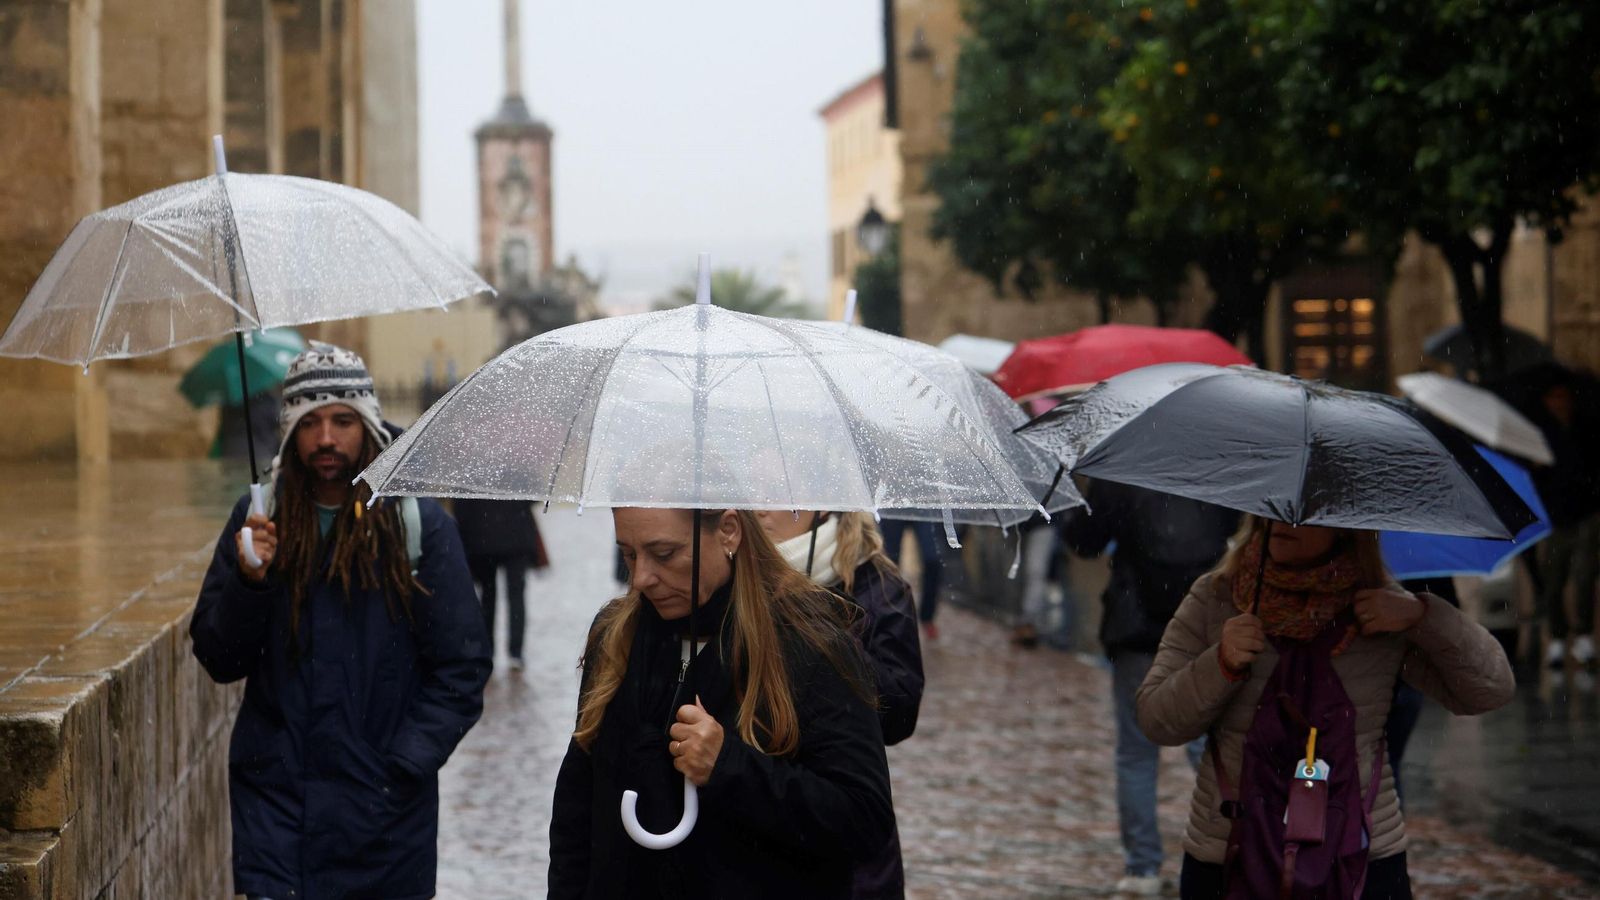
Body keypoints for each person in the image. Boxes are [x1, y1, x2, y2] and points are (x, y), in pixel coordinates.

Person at [190, 342, 490, 900]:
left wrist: (400, 766)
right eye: (311, 422)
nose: (326, 438)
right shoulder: (258, 519)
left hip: (384, 821)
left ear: (369, 425)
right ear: (288, 430)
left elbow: (462, 668)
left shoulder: (415, 524)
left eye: (342, 420)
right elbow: (219, 657)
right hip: (275, 810)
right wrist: (250, 581)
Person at [1138, 517, 1515, 899]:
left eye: (1307, 515)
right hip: (1229, 856)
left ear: (1345, 527)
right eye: (1275, 509)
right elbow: (1157, 721)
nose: (1281, 523)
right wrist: (1219, 663)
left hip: (1361, 860)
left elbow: (1489, 689)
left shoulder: (1380, 607)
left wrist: (1423, 616)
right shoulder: (1215, 597)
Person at [549, 507, 895, 899]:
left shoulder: (810, 645)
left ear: (729, 531)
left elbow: (862, 819)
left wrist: (730, 766)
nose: (641, 577)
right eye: (629, 554)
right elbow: (577, 810)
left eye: (663, 554)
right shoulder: (616, 637)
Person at [1061, 480, 1239, 895]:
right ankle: (1231, 851)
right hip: (1204, 623)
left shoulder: (1122, 468)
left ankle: (1142, 868)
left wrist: (1077, 503)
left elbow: (1084, 543)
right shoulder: (1217, 463)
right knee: (1209, 749)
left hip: (1137, 622)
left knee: (1137, 752)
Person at [757, 510, 925, 900]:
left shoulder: (878, 585)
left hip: (844, 835)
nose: (759, 507)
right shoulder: (735, 578)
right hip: (758, 810)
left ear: (821, 504)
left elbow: (899, 713)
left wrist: (822, 626)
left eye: (778, 494)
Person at [1530, 378, 1600, 668]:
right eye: (1553, 396)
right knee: (1553, 580)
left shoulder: (1586, 429)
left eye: (1563, 395)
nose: (1559, 402)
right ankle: (1557, 638)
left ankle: (1583, 635)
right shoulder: (1540, 433)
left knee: (1584, 576)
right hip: (1554, 517)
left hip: (1585, 513)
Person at [453, 497, 550, 671]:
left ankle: (489, 649)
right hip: (515, 536)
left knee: (488, 597)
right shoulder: (519, 469)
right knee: (516, 595)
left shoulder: (469, 471)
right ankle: (515, 652)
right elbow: (533, 496)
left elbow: (461, 508)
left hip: (482, 538)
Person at [878, 518, 944, 640]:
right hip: (892, 504)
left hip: (924, 504)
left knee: (933, 560)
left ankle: (927, 616)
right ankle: (890, 616)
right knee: (890, 563)